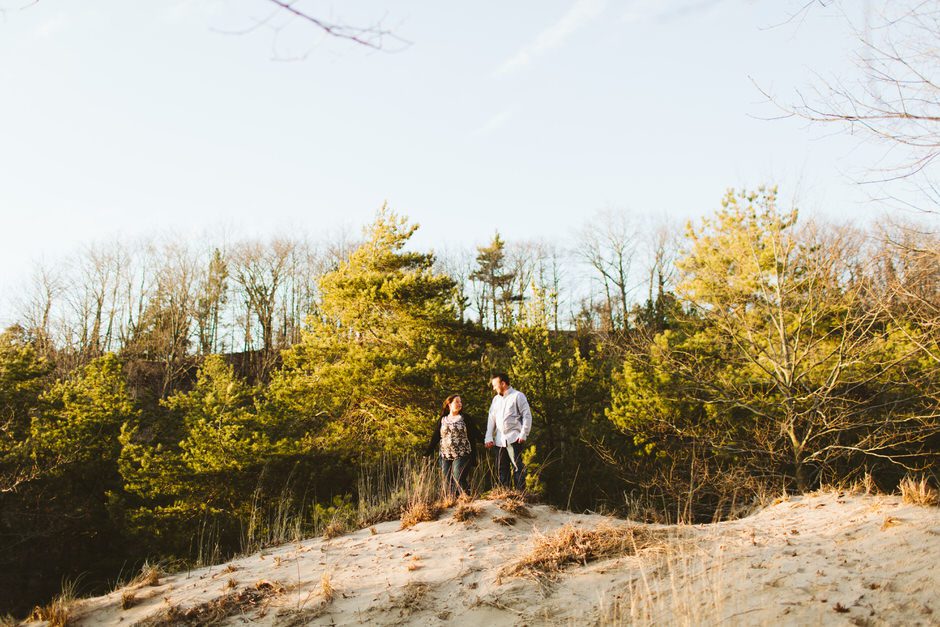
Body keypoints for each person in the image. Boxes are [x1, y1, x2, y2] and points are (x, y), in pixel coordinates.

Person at [424, 394, 482, 497]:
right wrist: (427, 452)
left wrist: (486, 441)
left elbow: (475, 433)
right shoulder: (443, 419)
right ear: (449, 404)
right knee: (448, 481)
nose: (460, 404)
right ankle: (454, 502)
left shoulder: (465, 418)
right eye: (457, 402)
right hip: (445, 455)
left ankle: (466, 498)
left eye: (460, 402)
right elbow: (436, 437)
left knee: (458, 477)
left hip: (462, 453)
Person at [484, 373, 532, 491]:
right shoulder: (495, 400)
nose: (494, 388)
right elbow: (491, 419)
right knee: (502, 468)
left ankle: (520, 495)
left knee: (517, 467)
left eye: (495, 385)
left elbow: (527, 416)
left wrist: (523, 433)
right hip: (499, 440)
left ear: (503, 384)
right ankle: (505, 494)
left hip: (514, 438)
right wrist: (488, 437)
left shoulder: (518, 396)